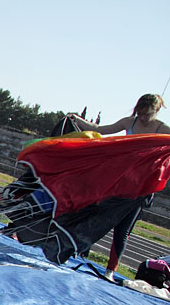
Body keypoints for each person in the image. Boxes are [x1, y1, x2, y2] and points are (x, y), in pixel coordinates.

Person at [70, 94, 170, 280]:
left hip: (140, 190)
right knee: (96, 215)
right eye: (140, 114)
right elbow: (100, 129)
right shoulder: (129, 122)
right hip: (120, 182)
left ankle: (110, 271)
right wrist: (78, 120)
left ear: (156, 111)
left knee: (122, 230)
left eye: (147, 115)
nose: (143, 118)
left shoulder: (163, 129)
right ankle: (80, 253)